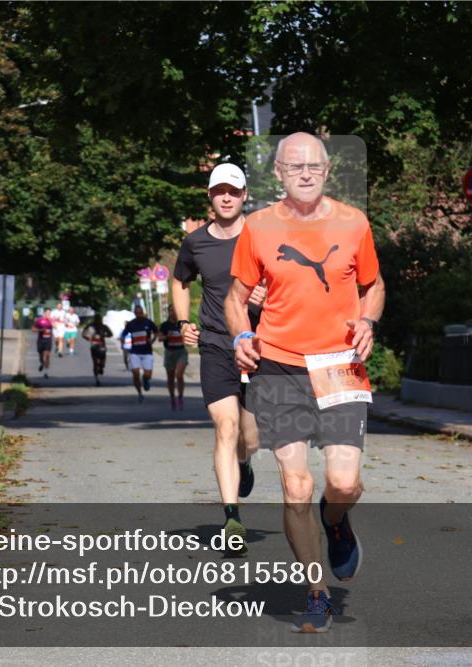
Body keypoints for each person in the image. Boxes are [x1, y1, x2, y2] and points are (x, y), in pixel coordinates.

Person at [225, 133, 385, 632]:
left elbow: (373, 285)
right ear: (278, 172)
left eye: (315, 165)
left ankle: (335, 522)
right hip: (278, 365)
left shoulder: (353, 223)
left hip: (339, 364)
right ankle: (317, 594)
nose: (307, 173)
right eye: (296, 167)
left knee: (343, 483)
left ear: (328, 169)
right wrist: (242, 335)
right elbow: (236, 297)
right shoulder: (258, 227)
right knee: (297, 484)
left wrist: (368, 322)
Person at [173, 162, 265, 554]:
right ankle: (232, 518)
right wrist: (182, 322)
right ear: (210, 196)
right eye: (219, 190)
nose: (226, 196)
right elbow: (180, 281)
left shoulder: (264, 237)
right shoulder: (196, 243)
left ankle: (245, 463)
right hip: (214, 343)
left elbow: (291, 283)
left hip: (261, 346)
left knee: (251, 436)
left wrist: (268, 295)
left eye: (234, 190)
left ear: (244, 195)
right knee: (224, 427)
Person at [120, 306, 158, 403]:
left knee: (148, 374)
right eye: (137, 313)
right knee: (135, 373)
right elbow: (124, 334)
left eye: (140, 313)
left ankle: (146, 380)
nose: (139, 315)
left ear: (143, 313)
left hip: (147, 352)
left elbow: (156, 331)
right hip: (135, 352)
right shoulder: (131, 324)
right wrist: (123, 341)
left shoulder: (148, 322)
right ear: (135, 314)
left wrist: (153, 340)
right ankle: (140, 393)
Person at [159, 305, 189, 410]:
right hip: (169, 352)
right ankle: (172, 397)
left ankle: (180, 396)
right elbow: (159, 338)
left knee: (179, 375)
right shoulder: (165, 325)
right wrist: (167, 336)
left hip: (181, 352)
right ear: (168, 312)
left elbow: (189, 335)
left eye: (174, 311)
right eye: (171, 310)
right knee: (170, 378)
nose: (172, 312)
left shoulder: (182, 324)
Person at [82, 314, 113, 386]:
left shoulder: (104, 326)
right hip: (94, 346)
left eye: (99, 319)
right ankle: (97, 379)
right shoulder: (90, 326)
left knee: (102, 363)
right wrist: (87, 337)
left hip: (102, 346)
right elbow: (83, 333)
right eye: (96, 319)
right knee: (95, 363)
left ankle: (101, 367)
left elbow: (111, 334)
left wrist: (105, 335)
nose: (98, 320)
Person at [32, 308, 54, 379]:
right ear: (44, 313)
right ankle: (42, 363)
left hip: (48, 340)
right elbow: (33, 329)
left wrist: (51, 322)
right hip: (41, 340)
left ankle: (46, 372)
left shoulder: (51, 321)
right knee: (41, 356)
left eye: (49, 313)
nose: (48, 315)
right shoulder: (40, 320)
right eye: (47, 313)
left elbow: (56, 327)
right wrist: (41, 330)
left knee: (47, 355)